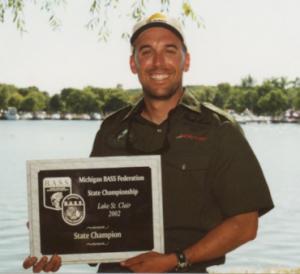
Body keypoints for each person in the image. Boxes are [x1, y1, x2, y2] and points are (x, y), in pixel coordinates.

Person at [23, 12, 274, 273]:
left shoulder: (219, 129)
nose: (158, 62)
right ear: (133, 64)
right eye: (146, 52)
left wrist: (177, 259)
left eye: (169, 50)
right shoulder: (112, 129)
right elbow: (91, 213)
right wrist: (54, 235)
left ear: (185, 61)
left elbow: (245, 224)